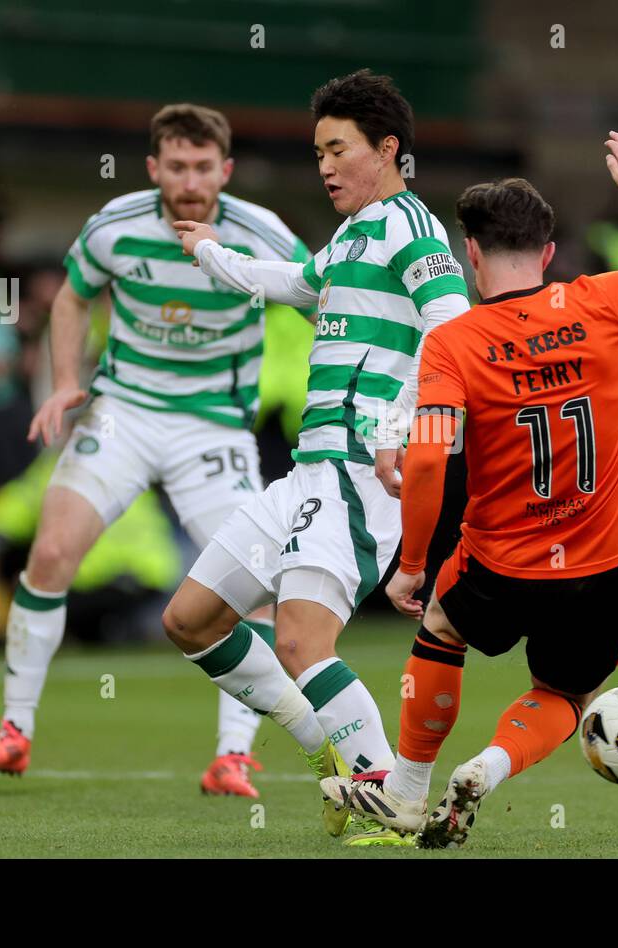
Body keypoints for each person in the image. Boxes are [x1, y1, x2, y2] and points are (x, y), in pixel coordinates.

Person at [317, 134, 618, 847]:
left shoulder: (456, 343)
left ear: (470, 256)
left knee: (442, 626)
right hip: (604, 565)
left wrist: (412, 563)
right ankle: (489, 767)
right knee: (567, 693)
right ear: (547, 250)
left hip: (501, 564)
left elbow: (427, 461)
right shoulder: (603, 302)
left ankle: (409, 791)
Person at [0, 103, 310, 800]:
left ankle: (232, 756)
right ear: (154, 168)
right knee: (52, 552)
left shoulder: (260, 233)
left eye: (203, 168)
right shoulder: (116, 225)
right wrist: (66, 382)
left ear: (226, 170)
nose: (190, 181)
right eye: (176, 167)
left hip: (213, 427)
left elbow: (316, 298)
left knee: (253, 585)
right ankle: (15, 730)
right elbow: (71, 297)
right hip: (125, 412)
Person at [162, 70, 472, 846]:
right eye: (318, 151)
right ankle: (325, 747)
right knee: (191, 621)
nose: (325, 165)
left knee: (302, 641)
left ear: (388, 149)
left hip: (360, 474)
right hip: (308, 470)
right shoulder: (354, 234)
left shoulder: (414, 229)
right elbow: (298, 283)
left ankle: (387, 806)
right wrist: (214, 254)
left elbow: (452, 326)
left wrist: (399, 424)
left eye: (338, 149)